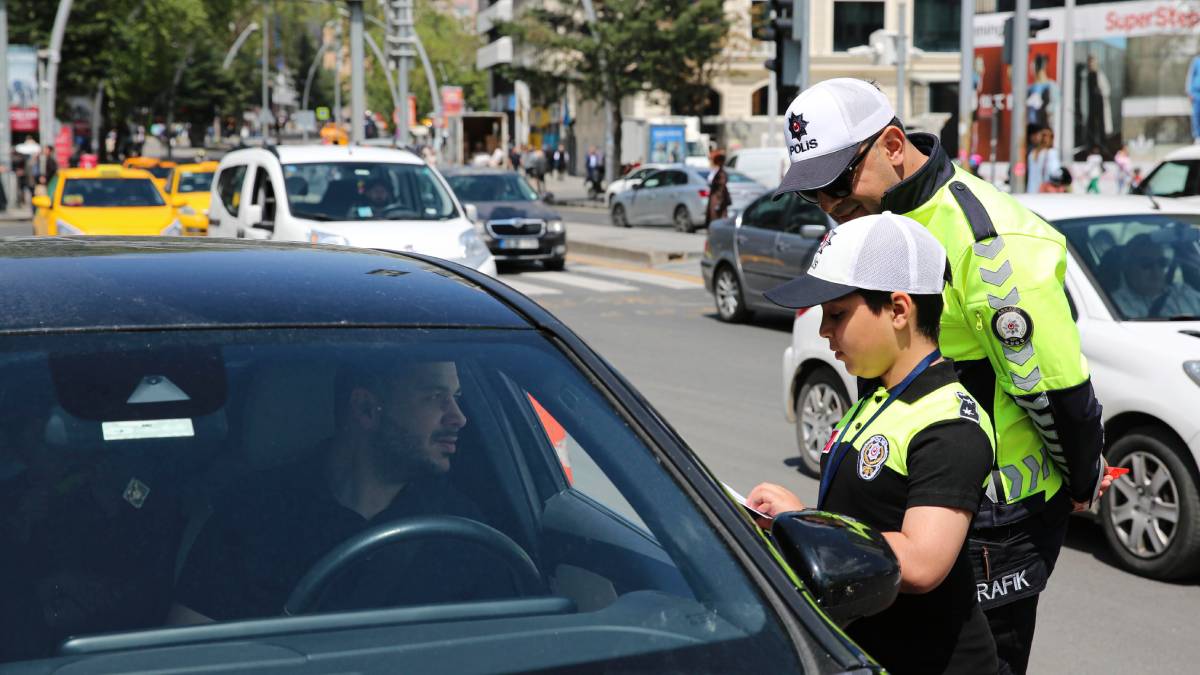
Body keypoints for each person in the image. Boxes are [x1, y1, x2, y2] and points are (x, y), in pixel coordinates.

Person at [772, 78, 1109, 675]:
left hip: (990, 520)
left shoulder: (989, 237)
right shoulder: (866, 221)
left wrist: (1083, 478)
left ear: (891, 145)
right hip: (900, 503)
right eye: (811, 192)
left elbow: (1056, 392)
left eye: (837, 182)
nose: (828, 204)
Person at [749, 213, 998, 675]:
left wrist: (805, 527)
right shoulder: (880, 395)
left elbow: (922, 560)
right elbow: (866, 516)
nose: (824, 331)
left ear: (899, 310)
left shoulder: (949, 423)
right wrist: (801, 522)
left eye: (837, 314)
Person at [169, 358, 506, 624]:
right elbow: (193, 646)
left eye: (455, 398)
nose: (458, 417)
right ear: (366, 409)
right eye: (434, 397)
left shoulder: (462, 528)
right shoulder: (254, 513)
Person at [1109, 234, 1200, 319]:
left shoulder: (1182, 291)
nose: (1156, 271)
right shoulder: (1114, 306)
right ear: (1128, 267)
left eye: (1162, 262)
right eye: (1146, 264)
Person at [1025, 126, 1061, 194]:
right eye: (1044, 135)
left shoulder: (1032, 153)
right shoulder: (1051, 153)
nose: (1046, 138)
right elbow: (1055, 172)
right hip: (1042, 191)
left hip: (1032, 190)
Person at [706, 150, 731, 226]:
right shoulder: (716, 171)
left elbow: (721, 189)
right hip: (715, 200)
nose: (711, 162)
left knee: (718, 222)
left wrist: (718, 204)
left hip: (718, 201)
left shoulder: (721, 173)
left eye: (712, 160)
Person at [1187, 53, 1200, 144]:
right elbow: (1190, 76)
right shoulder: (1196, 61)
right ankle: (1197, 137)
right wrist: (1189, 92)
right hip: (1196, 93)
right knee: (1196, 115)